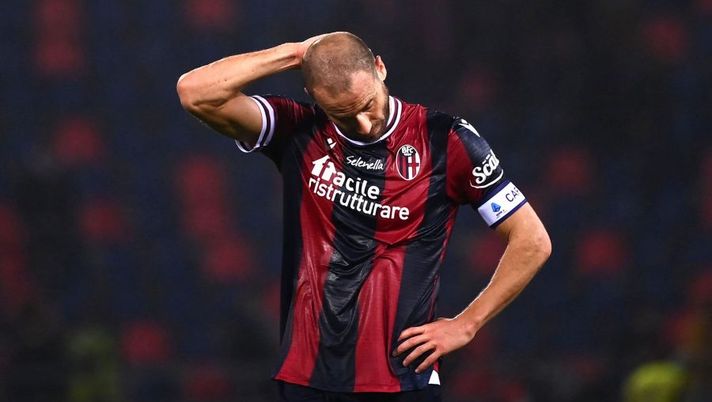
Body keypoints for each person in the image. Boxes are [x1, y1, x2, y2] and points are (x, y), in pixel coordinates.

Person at [177, 32, 551, 402]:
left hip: (401, 378)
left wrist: (467, 325)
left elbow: (532, 240)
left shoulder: (445, 139)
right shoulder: (298, 129)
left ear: (380, 67)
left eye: (367, 103)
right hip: (306, 377)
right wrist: (296, 53)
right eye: (342, 114)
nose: (363, 123)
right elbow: (195, 91)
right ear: (314, 96)